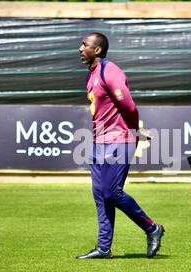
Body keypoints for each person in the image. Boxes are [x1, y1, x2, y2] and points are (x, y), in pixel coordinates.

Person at [76, 32, 164, 259]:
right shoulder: (91, 75)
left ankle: (152, 228)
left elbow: (129, 106)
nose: (80, 48)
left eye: (84, 44)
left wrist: (135, 130)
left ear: (97, 49)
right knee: (100, 195)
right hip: (98, 142)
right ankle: (104, 248)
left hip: (119, 140)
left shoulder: (110, 71)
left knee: (111, 192)